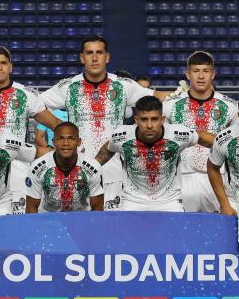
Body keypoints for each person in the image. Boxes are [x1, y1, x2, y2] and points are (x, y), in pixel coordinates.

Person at [41, 35, 183, 210]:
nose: (94, 58)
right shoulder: (69, 87)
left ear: (107, 57)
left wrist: (183, 94)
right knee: (80, 225)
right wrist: (59, 127)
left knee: (110, 227)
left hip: (113, 169)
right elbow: (35, 105)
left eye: (99, 53)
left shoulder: (123, 86)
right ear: (81, 58)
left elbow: (156, 97)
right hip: (78, 169)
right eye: (89, 53)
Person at [0, 46, 62, 215]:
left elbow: (57, 125)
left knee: (18, 230)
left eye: (3, 63)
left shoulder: (26, 95)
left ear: (10, 66)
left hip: (18, 174)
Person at [94, 96, 215, 211]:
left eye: (154, 119)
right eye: (144, 119)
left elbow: (204, 137)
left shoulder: (178, 134)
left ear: (162, 119)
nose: (149, 125)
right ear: (136, 120)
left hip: (170, 202)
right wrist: (92, 169)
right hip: (132, 201)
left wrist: (226, 149)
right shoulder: (121, 136)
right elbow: (108, 149)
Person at [163, 51, 238, 212]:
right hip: (181, 178)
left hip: (217, 179)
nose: (201, 76)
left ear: (213, 74)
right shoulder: (170, 105)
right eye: (196, 71)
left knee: (218, 232)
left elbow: (236, 145)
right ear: (188, 74)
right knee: (183, 233)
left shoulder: (230, 106)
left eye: (206, 71)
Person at [26, 122, 104, 213]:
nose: (66, 143)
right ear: (53, 142)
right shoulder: (38, 168)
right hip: (48, 220)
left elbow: (97, 208)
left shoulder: (93, 168)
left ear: (79, 142)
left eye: (71, 138)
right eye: (61, 138)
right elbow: (31, 206)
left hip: (82, 219)